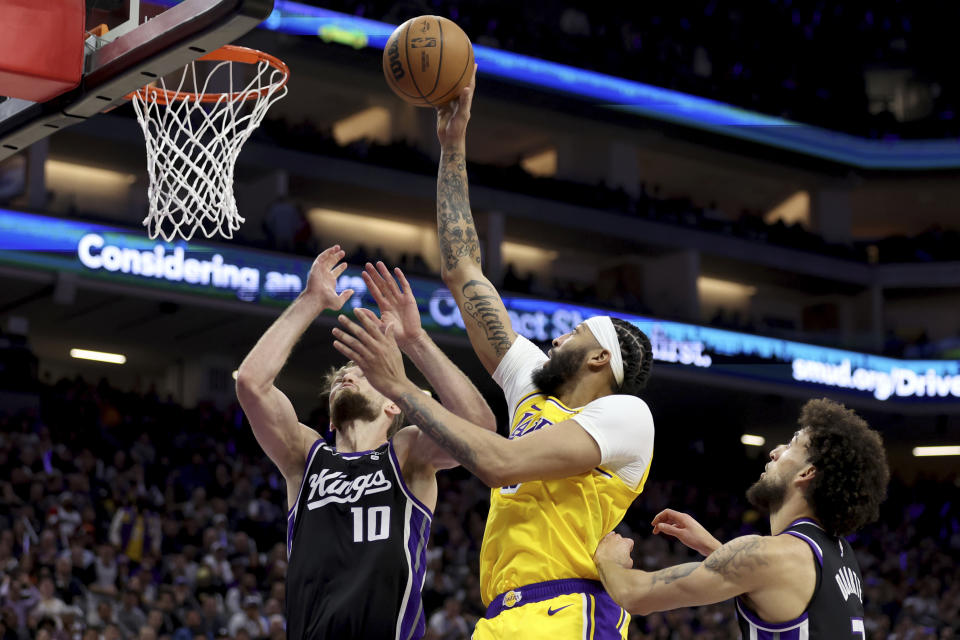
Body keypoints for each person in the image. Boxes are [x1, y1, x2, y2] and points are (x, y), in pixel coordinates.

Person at [331, 66, 655, 639]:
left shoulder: (627, 418)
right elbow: (463, 270)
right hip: (502, 614)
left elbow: (499, 463)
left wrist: (400, 386)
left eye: (575, 333)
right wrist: (452, 147)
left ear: (602, 359)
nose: (557, 337)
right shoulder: (532, 383)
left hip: (569, 608)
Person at [235, 246, 495, 639]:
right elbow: (251, 383)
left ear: (394, 403)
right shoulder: (305, 456)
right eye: (341, 373)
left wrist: (415, 341)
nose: (345, 376)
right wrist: (311, 301)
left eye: (363, 372)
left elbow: (479, 427)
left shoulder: (407, 453)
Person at [593, 398, 890, 639]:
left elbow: (635, 595)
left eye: (792, 444)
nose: (775, 451)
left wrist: (609, 558)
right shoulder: (840, 554)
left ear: (806, 473)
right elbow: (776, 586)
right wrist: (715, 548)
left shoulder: (772, 555)